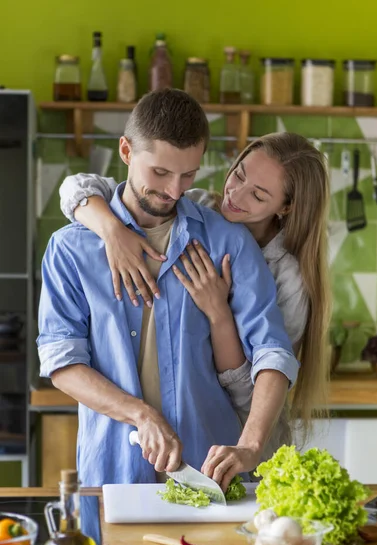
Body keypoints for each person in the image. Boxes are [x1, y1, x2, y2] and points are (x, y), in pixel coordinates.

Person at [38, 89, 298, 492]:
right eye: (160, 173)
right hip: (113, 475)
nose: (175, 191)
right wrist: (141, 415)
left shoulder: (228, 242)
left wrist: (249, 446)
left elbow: (272, 351)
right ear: (126, 150)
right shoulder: (71, 248)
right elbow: (62, 363)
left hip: (211, 476)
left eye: (189, 175)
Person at [59, 130, 331, 457]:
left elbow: (250, 389)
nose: (236, 196)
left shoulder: (289, 277)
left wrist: (219, 314)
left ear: (286, 207)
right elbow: (81, 187)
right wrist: (112, 231)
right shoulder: (197, 206)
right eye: (238, 175)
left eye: (258, 196)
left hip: (251, 443)